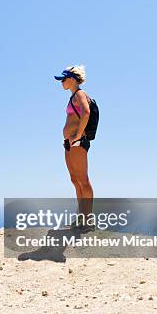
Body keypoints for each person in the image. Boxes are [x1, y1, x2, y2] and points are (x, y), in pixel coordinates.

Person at [54, 65, 94, 227]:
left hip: (77, 141)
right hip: (69, 143)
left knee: (83, 179)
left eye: (63, 79)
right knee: (74, 179)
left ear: (71, 79)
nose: (61, 83)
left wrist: (77, 135)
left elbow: (86, 113)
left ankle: (89, 218)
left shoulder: (80, 94)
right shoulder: (72, 97)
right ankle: (81, 215)